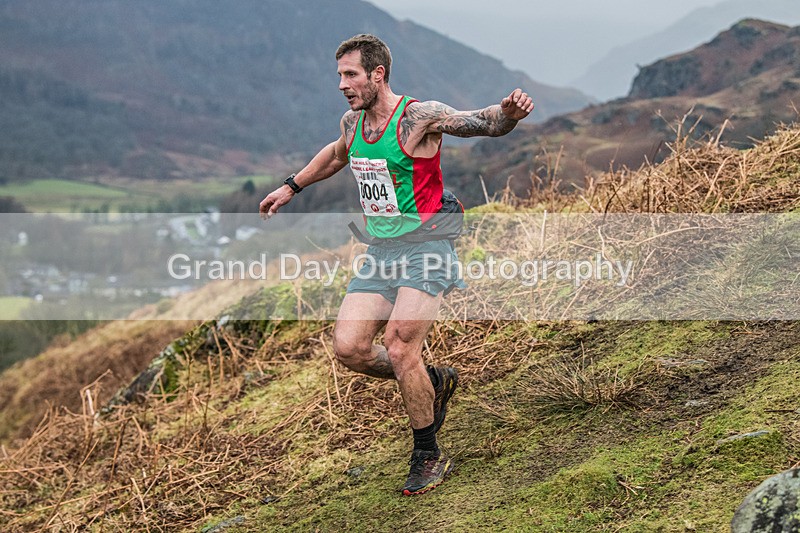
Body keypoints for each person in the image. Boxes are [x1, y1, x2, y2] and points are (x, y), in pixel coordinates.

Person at [259, 34, 533, 495]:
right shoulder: (353, 122)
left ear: (377, 75)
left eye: (351, 75)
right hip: (381, 253)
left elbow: (477, 123)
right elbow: (335, 154)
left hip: (426, 247)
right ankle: (431, 382)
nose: (343, 84)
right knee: (349, 348)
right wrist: (292, 186)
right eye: (340, 75)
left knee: (401, 346)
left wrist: (507, 114)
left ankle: (427, 453)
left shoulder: (417, 117)